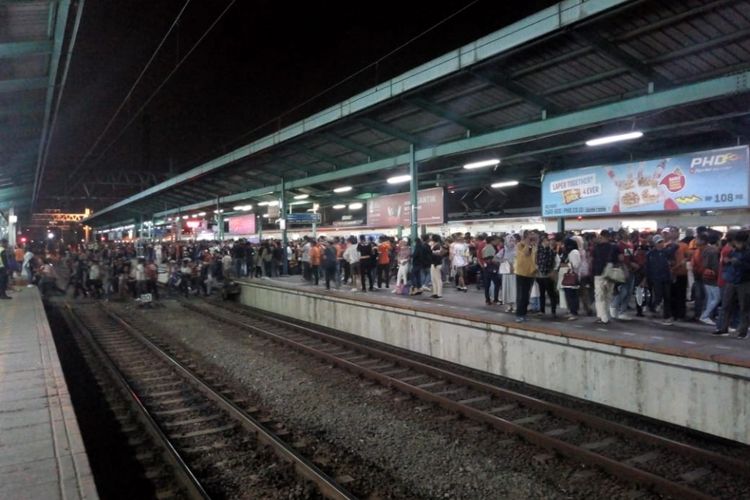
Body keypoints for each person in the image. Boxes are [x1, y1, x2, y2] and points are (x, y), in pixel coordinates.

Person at [646, 235, 677, 326]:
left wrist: (671, 242)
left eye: (662, 242)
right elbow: (648, 268)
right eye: (659, 242)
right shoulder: (650, 254)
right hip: (655, 279)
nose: (661, 244)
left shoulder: (666, 252)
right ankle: (652, 308)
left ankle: (667, 316)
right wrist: (647, 279)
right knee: (658, 296)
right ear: (655, 244)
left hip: (666, 278)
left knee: (667, 297)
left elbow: (675, 247)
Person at [592, 230, 620, 325]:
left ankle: (602, 317)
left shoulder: (596, 248)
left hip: (599, 273)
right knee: (608, 295)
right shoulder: (615, 247)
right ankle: (606, 315)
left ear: (601, 236)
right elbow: (620, 259)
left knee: (599, 296)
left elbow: (593, 260)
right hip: (611, 274)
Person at [514, 231, 538, 323]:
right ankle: (519, 314)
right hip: (521, 273)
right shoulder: (520, 245)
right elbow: (526, 253)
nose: (533, 237)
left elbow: (534, 258)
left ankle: (523, 314)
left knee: (527, 295)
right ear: (525, 237)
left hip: (530, 273)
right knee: (521, 295)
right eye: (530, 236)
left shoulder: (533, 245)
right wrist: (527, 243)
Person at [698, 232, 720, 325]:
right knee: (716, 298)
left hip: (706, 276)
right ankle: (705, 315)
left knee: (711, 298)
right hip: (712, 277)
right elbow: (715, 265)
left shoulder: (704, 250)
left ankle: (705, 315)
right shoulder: (713, 251)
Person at [535, 234, 558, 317]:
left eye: (547, 241)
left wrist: (553, 272)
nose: (547, 242)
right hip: (540, 275)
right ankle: (542, 310)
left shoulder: (552, 252)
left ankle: (553, 311)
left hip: (548, 275)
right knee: (542, 294)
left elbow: (555, 262)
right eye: (545, 241)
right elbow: (535, 262)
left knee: (551, 294)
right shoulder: (538, 251)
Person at [559, 238, 582, 320]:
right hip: (567, 277)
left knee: (572, 296)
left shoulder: (574, 252)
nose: (563, 246)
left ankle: (574, 312)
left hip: (572, 276)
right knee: (568, 295)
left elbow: (575, 265)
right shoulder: (568, 252)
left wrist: (566, 265)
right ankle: (571, 311)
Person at [482, 235, 501, 305]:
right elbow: (490, 259)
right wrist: (498, 263)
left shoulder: (488, 247)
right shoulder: (490, 248)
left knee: (488, 284)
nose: (498, 242)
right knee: (496, 284)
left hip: (488, 268)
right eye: (496, 240)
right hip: (492, 268)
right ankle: (494, 299)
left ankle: (488, 299)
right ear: (492, 241)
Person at [429, 234, 446, 299]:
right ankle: (435, 293)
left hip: (436, 264)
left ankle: (439, 294)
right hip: (435, 263)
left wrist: (432, 253)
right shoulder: (437, 245)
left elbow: (438, 254)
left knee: (437, 279)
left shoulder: (437, 245)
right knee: (434, 279)